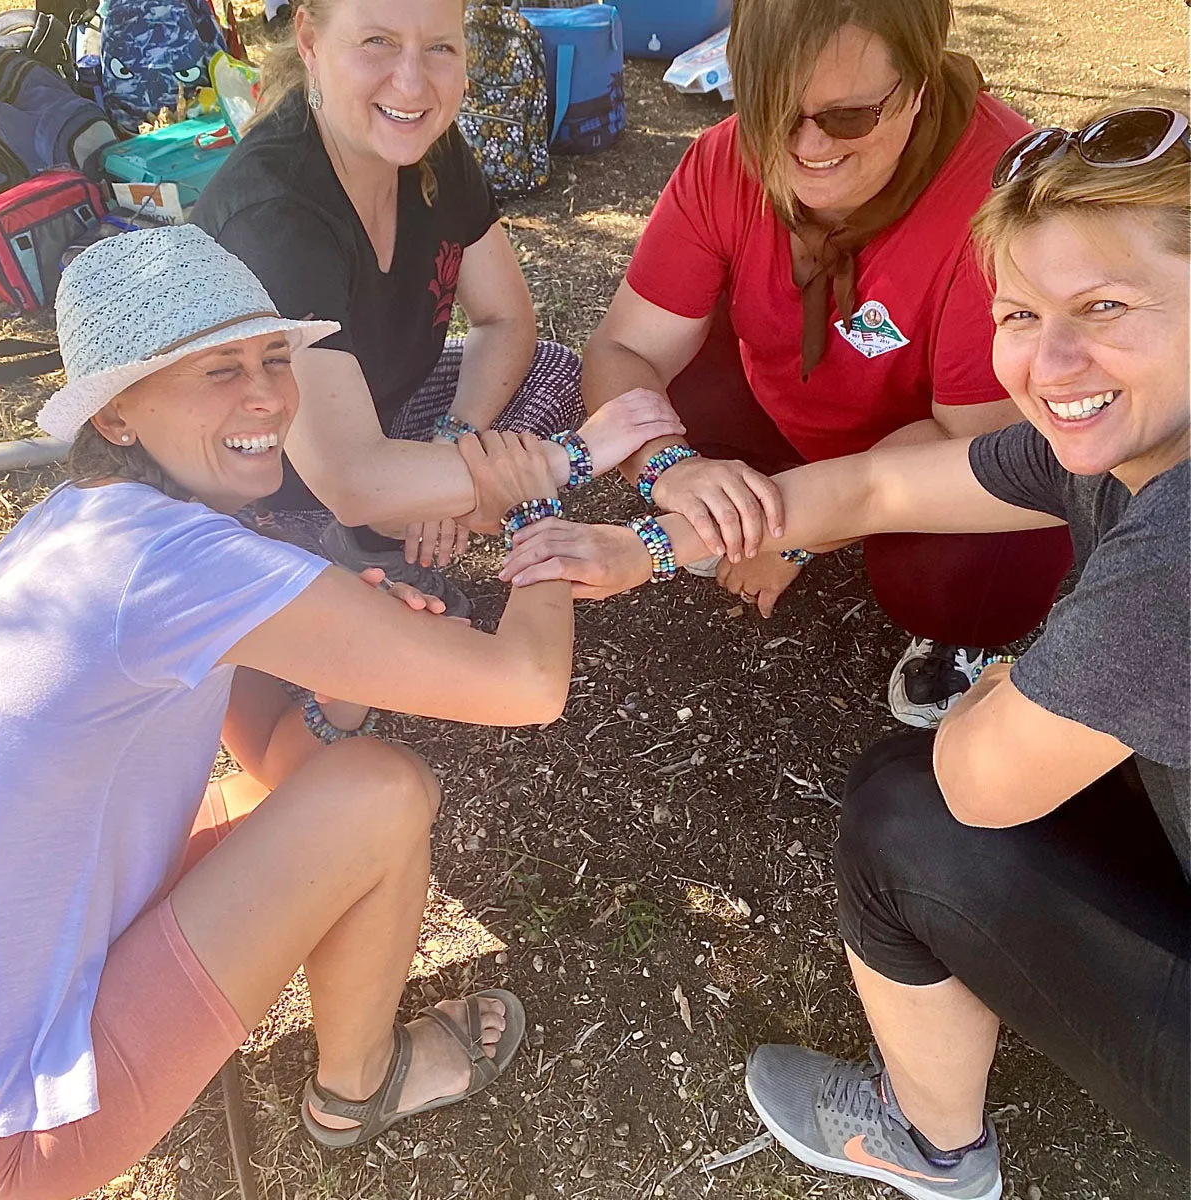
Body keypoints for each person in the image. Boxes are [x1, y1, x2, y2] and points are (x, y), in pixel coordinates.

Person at [498, 102, 1191, 1195]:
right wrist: (647, 544)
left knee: (903, 807)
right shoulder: (1123, 435)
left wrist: (1017, 683)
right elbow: (870, 483)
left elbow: (981, 778)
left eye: (1104, 307)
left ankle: (931, 1145)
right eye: (1018, 311)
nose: (1049, 361)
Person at [0, 223, 604, 1200]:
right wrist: (539, 517)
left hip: (49, 959)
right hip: (19, 1128)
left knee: (361, 788)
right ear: (114, 417)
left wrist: (340, 680)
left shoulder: (79, 530)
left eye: (274, 358)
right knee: (385, 791)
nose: (270, 396)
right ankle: (360, 1087)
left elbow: (278, 757)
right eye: (218, 371)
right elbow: (529, 687)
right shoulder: (181, 562)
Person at [580, 0, 1074, 726]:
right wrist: (668, 467)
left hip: (949, 442)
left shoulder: (1001, 202)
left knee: (960, 570)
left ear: (918, 88)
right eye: (771, 108)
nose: (804, 146)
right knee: (672, 393)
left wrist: (794, 533)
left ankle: (957, 634)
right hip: (808, 404)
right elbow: (623, 348)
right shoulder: (725, 158)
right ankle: (748, 502)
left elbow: (976, 448)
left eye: (846, 117)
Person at [193, 0, 592, 612]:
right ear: (309, 39)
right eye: (377, 41)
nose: (412, 83)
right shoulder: (276, 215)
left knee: (552, 370)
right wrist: (564, 460)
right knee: (318, 627)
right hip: (269, 478)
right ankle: (340, 554)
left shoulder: (427, 141)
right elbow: (349, 474)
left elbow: (506, 319)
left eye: (440, 47)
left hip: (381, 420)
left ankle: (395, 524)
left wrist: (454, 443)